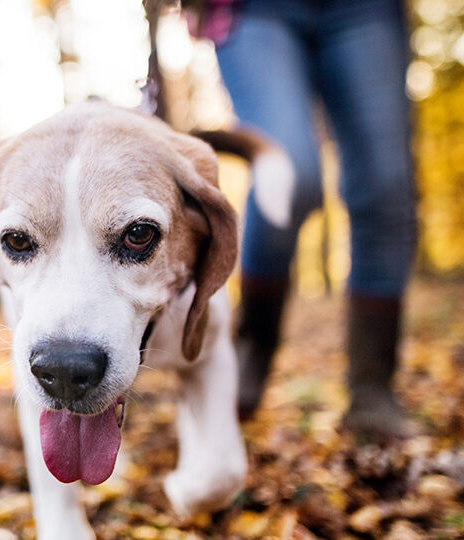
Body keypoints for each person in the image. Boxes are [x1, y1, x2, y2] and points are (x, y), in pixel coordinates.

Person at [190, 0, 418, 437]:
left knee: (386, 185)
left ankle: (373, 389)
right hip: (254, 10)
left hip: (367, 10)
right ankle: (253, 343)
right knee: (289, 172)